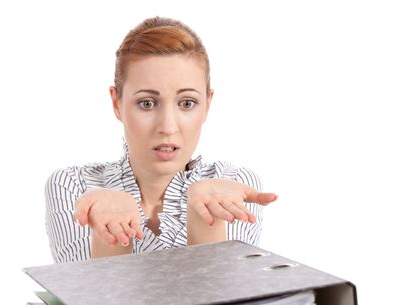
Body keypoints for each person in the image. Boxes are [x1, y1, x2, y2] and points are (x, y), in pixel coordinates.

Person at [45, 17, 277, 263]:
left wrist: (205, 220)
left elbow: (229, 299)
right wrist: (109, 236)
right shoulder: (74, 185)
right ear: (117, 103)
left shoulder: (232, 184)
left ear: (207, 105)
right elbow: (81, 298)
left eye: (187, 103)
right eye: (146, 103)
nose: (167, 127)